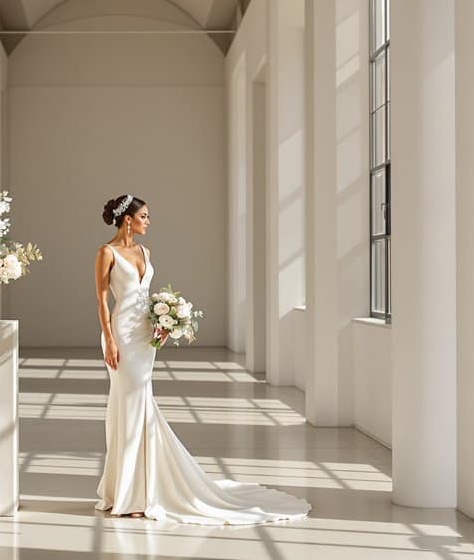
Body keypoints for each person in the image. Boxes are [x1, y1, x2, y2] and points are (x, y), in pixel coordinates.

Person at [92, 194, 312, 525]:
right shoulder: (106, 252)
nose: (148, 221)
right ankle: (127, 492)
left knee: (140, 402)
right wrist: (109, 339)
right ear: (128, 219)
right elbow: (100, 299)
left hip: (145, 336)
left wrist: (162, 323)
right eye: (144, 216)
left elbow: (146, 297)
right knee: (127, 403)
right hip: (121, 334)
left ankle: (137, 490)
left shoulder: (145, 252)